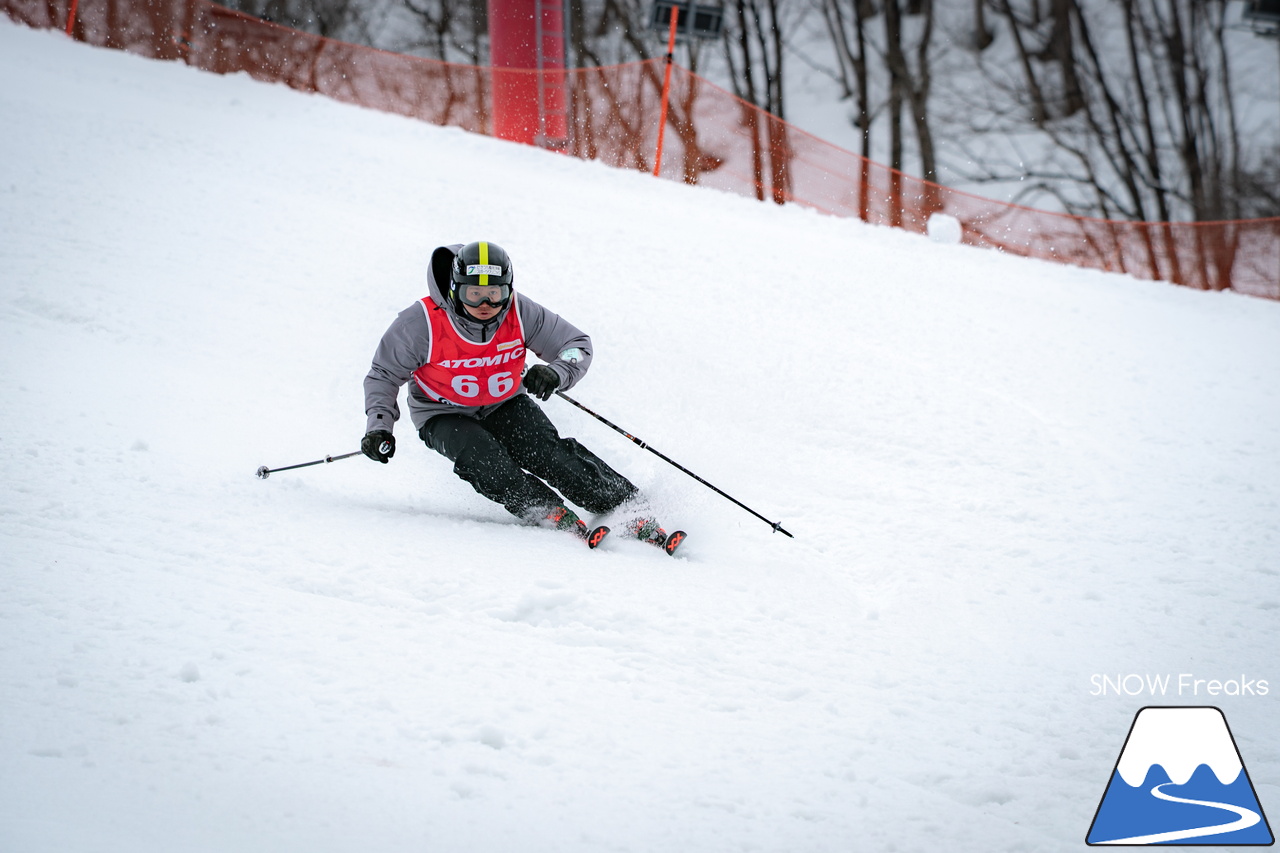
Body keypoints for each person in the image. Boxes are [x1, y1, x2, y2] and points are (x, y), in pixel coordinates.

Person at [361, 240, 663, 545]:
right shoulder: (420, 323)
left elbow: (576, 346)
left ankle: (625, 506)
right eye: (473, 294)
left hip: (504, 403)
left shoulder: (519, 312)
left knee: (549, 454)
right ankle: (544, 509)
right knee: (484, 460)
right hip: (441, 413)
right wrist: (379, 427)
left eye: (495, 295)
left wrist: (555, 372)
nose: (485, 305)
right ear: (455, 288)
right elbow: (383, 375)